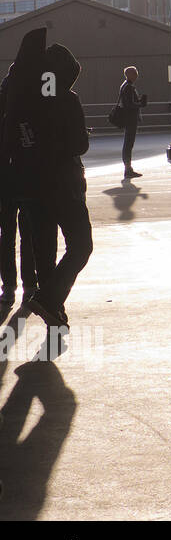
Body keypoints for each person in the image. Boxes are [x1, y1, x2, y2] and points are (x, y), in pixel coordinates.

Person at [23, 42, 93, 329]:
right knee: (80, 245)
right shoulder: (68, 99)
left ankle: (53, 310)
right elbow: (79, 144)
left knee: (45, 252)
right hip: (65, 184)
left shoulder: (26, 101)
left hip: (32, 185)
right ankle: (50, 300)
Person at [0, 63, 37, 311]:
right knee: (28, 236)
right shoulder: (30, 108)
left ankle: (8, 288)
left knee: (7, 237)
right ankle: (30, 286)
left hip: (5, 181)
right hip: (26, 180)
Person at [117, 66, 147, 178]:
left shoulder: (125, 86)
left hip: (128, 118)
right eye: (135, 73)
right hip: (130, 118)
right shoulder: (128, 87)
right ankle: (128, 169)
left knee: (128, 143)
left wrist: (138, 102)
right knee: (129, 143)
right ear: (129, 75)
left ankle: (128, 168)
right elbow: (129, 104)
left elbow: (127, 102)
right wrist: (140, 104)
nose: (136, 75)